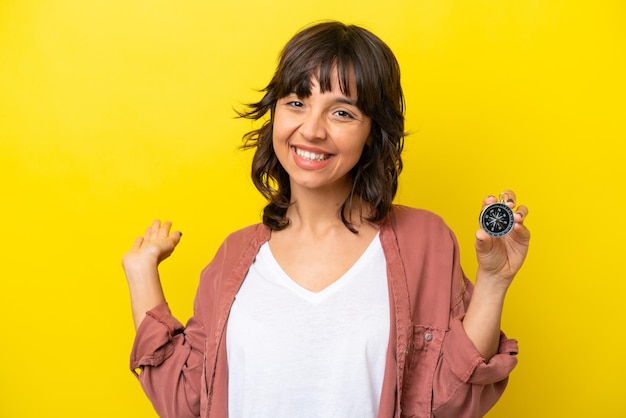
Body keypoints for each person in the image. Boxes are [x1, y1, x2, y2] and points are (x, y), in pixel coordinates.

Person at [122, 21, 530, 418]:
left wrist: (494, 281)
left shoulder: (424, 241)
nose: (312, 130)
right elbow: (188, 403)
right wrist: (142, 275)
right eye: (297, 103)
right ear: (275, 114)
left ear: (373, 131)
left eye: (342, 113)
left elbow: (451, 402)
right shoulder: (234, 258)